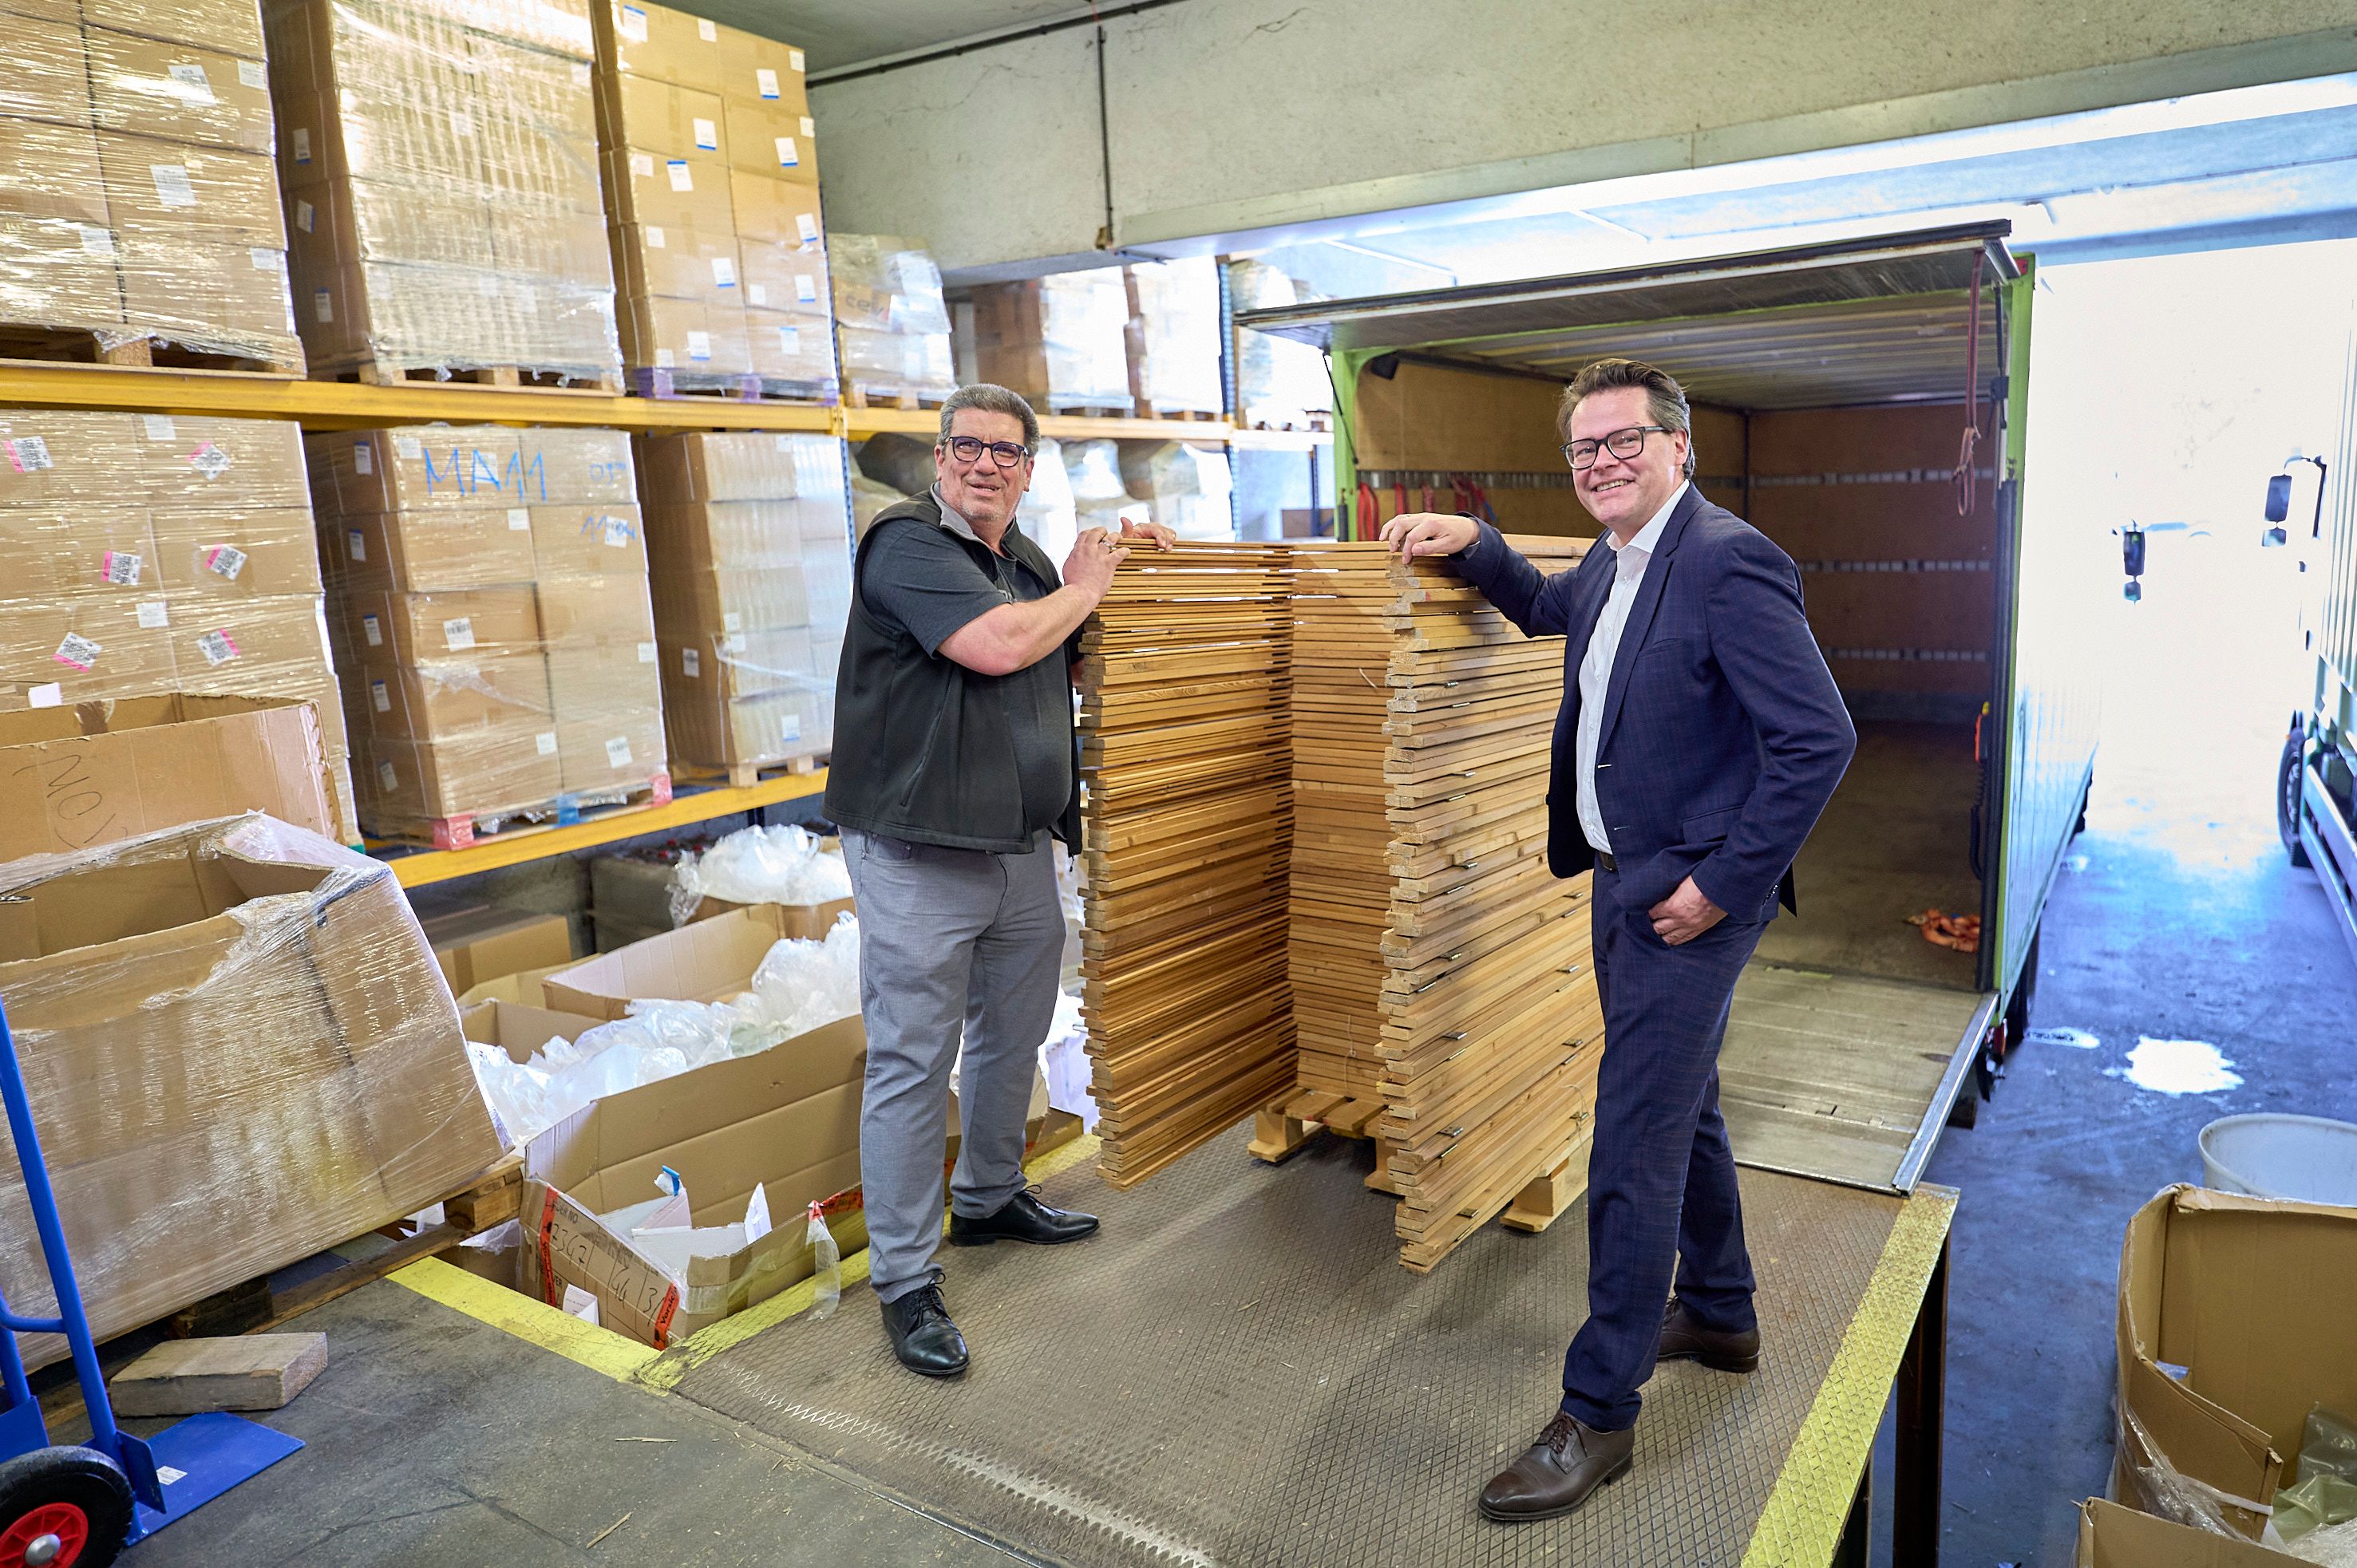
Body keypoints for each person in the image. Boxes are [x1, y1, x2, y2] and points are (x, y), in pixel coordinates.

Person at [1381, 357, 1856, 1521]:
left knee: (1630, 1144)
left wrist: (1717, 885)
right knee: (1681, 1107)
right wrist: (1474, 541)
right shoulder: (1611, 560)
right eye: (1584, 448)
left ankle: (1599, 1412)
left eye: (1622, 442)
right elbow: (1552, 612)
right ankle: (1726, 1312)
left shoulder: (1727, 562)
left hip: (1685, 903)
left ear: (1676, 447)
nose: (1600, 463)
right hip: (1619, 880)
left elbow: (1818, 739)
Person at [823, 382, 1173, 1377]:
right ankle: (903, 1279)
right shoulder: (908, 549)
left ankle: (986, 1199)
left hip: (1019, 845)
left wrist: (1131, 576)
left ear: (1027, 470)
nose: (986, 464)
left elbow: (1055, 657)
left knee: (1011, 1037)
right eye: (967, 447)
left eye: (1007, 452)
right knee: (911, 1060)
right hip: (920, 852)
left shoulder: (1019, 562)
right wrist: (1084, 588)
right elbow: (996, 648)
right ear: (939, 462)